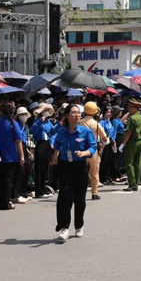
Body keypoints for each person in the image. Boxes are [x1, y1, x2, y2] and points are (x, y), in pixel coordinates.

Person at [50, 104, 97, 242]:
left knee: (79, 198)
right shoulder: (61, 131)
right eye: (73, 112)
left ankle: (79, 225)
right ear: (66, 115)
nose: (77, 115)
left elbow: (93, 147)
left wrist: (84, 153)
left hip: (80, 166)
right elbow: (57, 143)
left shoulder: (85, 132)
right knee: (65, 196)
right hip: (65, 166)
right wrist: (55, 154)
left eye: (78, 113)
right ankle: (64, 227)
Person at [79, 101, 108, 201]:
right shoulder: (96, 124)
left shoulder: (79, 122)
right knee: (94, 172)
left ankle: (79, 193)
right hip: (92, 150)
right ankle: (94, 193)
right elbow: (104, 138)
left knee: (80, 172)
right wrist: (104, 143)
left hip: (80, 150)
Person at [120, 99, 141, 192]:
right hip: (140, 142)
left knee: (129, 163)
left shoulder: (132, 119)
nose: (129, 110)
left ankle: (132, 184)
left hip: (132, 142)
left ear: (135, 108)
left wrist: (123, 144)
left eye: (130, 108)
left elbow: (128, 133)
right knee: (138, 163)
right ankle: (137, 181)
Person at [29, 103, 55, 197]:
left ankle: (43, 188)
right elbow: (32, 131)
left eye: (48, 110)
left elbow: (52, 133)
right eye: (45, 110)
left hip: (47, 144)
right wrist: (40, 121)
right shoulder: (37, 121)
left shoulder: (49, 122)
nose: (47, 112)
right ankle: (39, 190)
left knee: (45, 167)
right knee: (39, 168)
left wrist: (52, 143)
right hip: (40, 144)